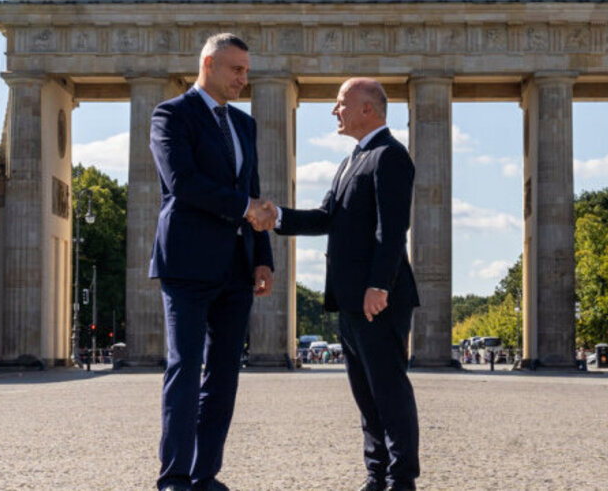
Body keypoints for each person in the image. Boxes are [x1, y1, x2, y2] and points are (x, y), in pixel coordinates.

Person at [250, 77, 420, 491]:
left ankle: (402, 479)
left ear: (368, 109)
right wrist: (279, 217)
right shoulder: (352, 161)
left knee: (389, 391)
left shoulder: (390, 156)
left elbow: (392, 229)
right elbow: (327, 217)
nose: (334, 110)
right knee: (365, 394)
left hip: (377, 298)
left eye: (341, 102)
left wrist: (379, 285)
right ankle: (376, 474)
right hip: (349, 299)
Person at [149, 33, 274, 491]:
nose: (244, 78)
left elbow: (253, 190)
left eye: (246, 69)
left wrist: (263, 258)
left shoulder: (245, 125)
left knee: (223, 375)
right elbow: (183, 182)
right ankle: (175, 476)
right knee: (185, 369)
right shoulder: (171, 115)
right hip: (187, 261)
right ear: (208, 65)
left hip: (237, 266)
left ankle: (205, 474)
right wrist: (245, 209)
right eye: (236, 69)